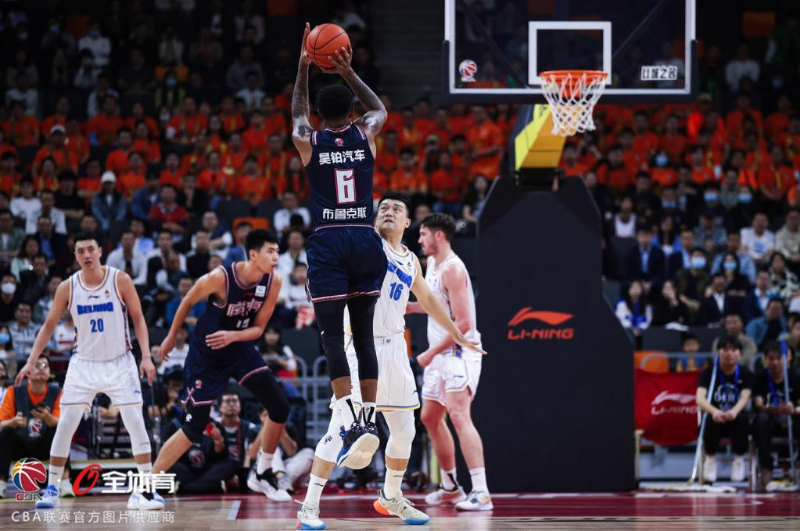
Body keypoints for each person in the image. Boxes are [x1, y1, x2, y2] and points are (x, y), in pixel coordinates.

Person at [297, 195, 483, 528]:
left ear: (407, 223)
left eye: (397, 209)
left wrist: (455, 332)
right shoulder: (366, 246)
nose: (388, 212)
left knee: (405, 430)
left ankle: (391, 496)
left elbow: (428, 299)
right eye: (383, 208)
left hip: (396, 349)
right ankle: (309, 506)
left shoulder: (411, 259)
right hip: (362, 348)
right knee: (340, 430)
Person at [290, 24, 389, 474]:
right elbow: (378, 108)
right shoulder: (365, 133)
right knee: (363, 335)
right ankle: (369, 418)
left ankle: (349, 418)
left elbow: (296, 113)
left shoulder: (309, 140)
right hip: (365, 236)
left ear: (318, 116)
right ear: (351, 111)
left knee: (333, 336)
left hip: (329, 240)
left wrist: (303, 67)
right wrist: (347, 71)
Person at [144, 230, 291, 507]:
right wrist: (170, 337)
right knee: (194, 427)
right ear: (253, 255)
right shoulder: (220, 278)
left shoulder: (274, 281)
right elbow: (187, 301)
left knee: (280, 406)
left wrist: (233, 336)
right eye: (270, 251)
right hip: (206, 357)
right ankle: (145, 487)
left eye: (277, 252)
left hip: (239, 349)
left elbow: (259, 328)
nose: (275, 257)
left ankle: (262, 473)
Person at [14, 232, 158, 510]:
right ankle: (52, 489)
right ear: (75, 255)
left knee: (135, 422)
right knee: (66, 424)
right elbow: (48, 326)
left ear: (100, 251)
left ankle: (147, 491)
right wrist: (31, 361)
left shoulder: (120, 280)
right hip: (84, 364)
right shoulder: (67, 287)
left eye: (91, 249)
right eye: (81, 251)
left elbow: (139, 319)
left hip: (120, 361)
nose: (87, 255)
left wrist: (147, 357)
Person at [406, 213, 492, 511]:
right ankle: (451, 487)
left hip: (459, 351)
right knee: (430, 417)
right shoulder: (432, 264)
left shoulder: (453, 270)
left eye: (423, 234)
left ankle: (481, 492)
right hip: (441, 352)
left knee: (458, 414)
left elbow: (464, 324)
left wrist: (431, 352)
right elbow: (436, 306)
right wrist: (408, 307)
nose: (419, 240)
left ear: (438, 236)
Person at [0, 354, 63, 499]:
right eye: (37, 366)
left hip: (44, 447)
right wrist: (13, 422)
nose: (41, 369)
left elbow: (60, 422)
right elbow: (1, 424)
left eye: (45, 366)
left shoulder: (57, 392)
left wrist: (47, 417)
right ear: (27, 372)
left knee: (60, 433)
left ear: (49, 371)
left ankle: (64, 482)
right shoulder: (13, 391)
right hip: (20, 446)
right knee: (6, 432)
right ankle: (1, 483)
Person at [696, 335, 753, 484]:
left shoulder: (745, 373)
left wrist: (734, 412)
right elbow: (700, 399)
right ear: (718, 352)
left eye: (733, 350)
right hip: (716, 418)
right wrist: (714, 411)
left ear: (740, 353)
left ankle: (739, 460)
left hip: (735, 418)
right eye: (725, 350)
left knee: (743, 419)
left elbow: (745, 397)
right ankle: (710, 459)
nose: (729, 353)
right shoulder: (708, 373)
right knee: (708, 419)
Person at [752, 341, 800, 490]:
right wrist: (775, 409)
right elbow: (759, 404)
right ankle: (766, 468)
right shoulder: (760, 377)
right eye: (771, 359)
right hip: (769, 424)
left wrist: (794, 409)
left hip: (791, 422)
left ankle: (798, 465)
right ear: (765, 360)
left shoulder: (796, 376)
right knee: (761, 419)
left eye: (779, 358)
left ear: (787, 359)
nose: (775, 363)